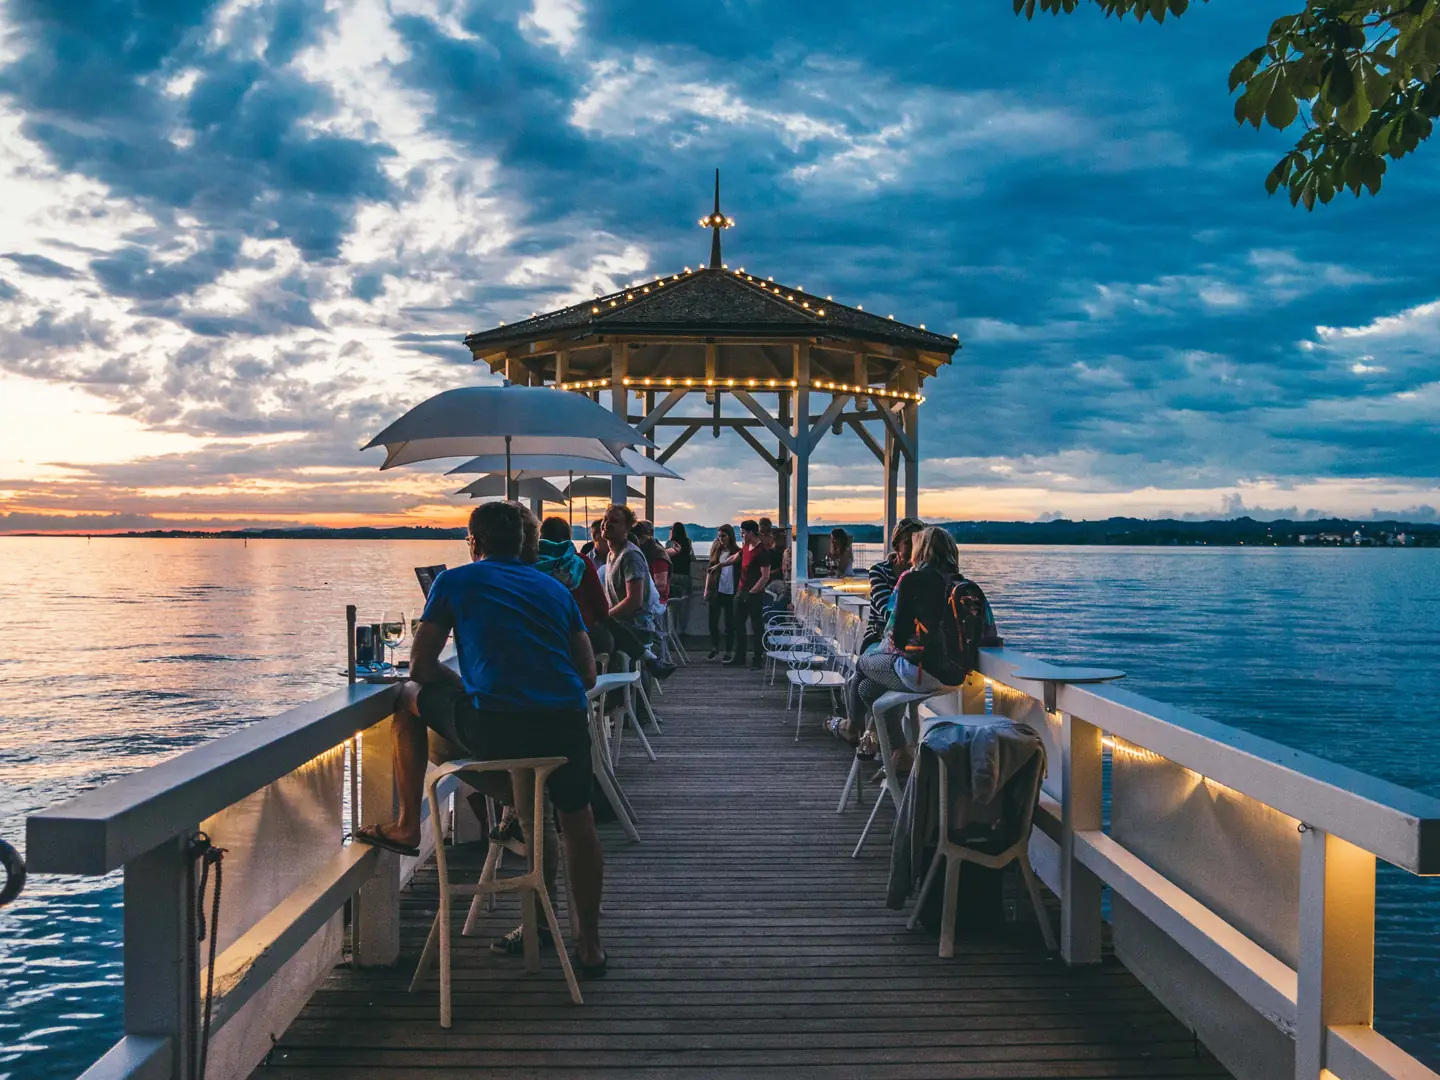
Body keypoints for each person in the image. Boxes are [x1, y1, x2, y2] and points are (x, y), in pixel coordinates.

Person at [355, 501, 607, 976]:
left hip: (497, 727)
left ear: (474, 541)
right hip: (565, 723)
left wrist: (466, 686)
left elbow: (421, 669)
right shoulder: (555, 589)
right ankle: (590, 945)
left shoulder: (453, 581)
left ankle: (408, 824)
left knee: (407, 698)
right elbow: (588, 674)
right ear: (526, 543)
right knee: (576, 823)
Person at [830, 526, 982, 778]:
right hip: (955, 678)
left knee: (862, 663)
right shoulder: (963, 584)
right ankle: (898, 753)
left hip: (920, 672)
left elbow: (899, 638)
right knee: (867, 688)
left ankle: (858, 729)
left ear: (922, 550)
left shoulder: (913, 580)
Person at [601, 503, 674, 678]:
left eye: (614, 521)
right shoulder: (611, 554)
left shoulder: (630, 556)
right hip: (621, 624)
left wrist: (605, 617)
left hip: (635, 626)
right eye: (605, 519)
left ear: (627, 528)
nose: (607, 524)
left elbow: (634, 601)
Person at [537, 515, 612, 659]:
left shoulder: (528, 563)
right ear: (568, 538)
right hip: (579, 635)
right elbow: (601, 607)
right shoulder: (580, 562)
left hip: (541, 635)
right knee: (609, 639)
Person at [861, 517, 925, 652]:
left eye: (918, 543)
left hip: (912, 642)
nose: (914, 548)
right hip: (878, 638)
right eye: (909, 543)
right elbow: (888, 612)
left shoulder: (923, 575)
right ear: (896, 545)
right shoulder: (879, 571)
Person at [726, 519, 771, 669]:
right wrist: (719, 565)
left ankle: (758, 659)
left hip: (754, 594)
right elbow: (736, 558)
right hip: (741, 590)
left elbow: (765, 576)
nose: (741, 536)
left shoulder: (762, 551)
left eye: (743, 533)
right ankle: (740, 656)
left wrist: (752, 593)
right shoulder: (746, 547)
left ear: (751, 533)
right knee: (738, 624)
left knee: (757, 626)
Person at [704, 523, 741, 661]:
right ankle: (715, 646)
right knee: (712, 621)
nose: (721, 539)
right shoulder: (716, 550)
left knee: (729, 623)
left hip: (731, 591)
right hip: (716, 590)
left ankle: (728, 650)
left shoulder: (737, 552)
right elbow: (709, 570)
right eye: (719, 536)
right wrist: (706, 589)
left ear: (730, 536)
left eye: (723, 536)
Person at [665, 523, 694, 601]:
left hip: (672, 574)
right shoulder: (688, 542)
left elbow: (665, 557)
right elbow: (692, 557)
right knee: (685, 600)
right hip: (685, 573)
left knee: (671, 601)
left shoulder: (669, 543)